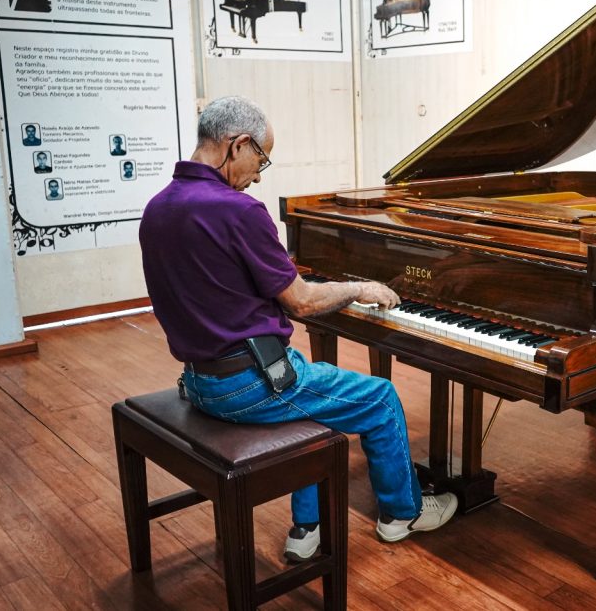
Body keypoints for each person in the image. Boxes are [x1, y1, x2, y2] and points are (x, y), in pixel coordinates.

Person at [139, 96, 457, 563]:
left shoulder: (158, 207)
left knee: (313, 394)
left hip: (198, 382)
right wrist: (358, 287)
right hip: (250, 385)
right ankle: (401, 514)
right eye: (261, 158)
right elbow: (303, 302)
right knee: (381, 397)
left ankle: (307, 529)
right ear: (238, 143)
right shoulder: (238, 211)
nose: (260, 173)